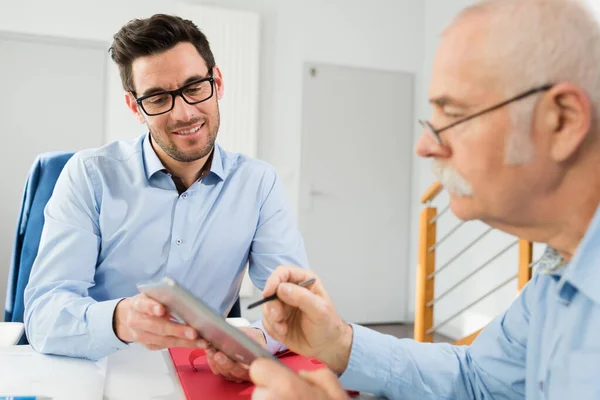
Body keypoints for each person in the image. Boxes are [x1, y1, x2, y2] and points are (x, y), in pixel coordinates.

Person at [248, 0, 600, 398]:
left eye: (453, 116)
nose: (424, 146)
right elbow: (476, 378)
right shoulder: (558, 274)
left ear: (563, 121)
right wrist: (339, 343)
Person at [23, 14, 308, 382]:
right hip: (100, 371)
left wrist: (252, 339)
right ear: (134, 106)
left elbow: (291, 307)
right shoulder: (89, 175)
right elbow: (44, 314)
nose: (184, 112)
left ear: (216, 82)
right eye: (158, 97)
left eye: (194, 87)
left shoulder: (258, 184)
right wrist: (120, 319)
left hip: (204, 375)